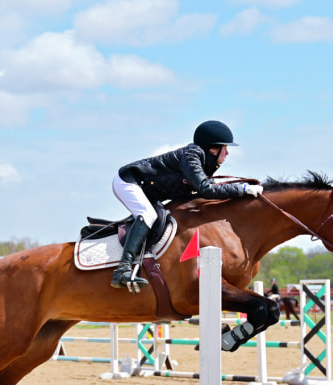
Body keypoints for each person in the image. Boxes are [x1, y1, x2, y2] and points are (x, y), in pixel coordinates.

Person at [110, 120, 263, 291]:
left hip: (149, 189)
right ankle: (122, 269)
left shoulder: (205, 161)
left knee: (160, 217)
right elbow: (206, 189)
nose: (227, 153)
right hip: (129, 181)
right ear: (213, 148)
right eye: (224, 148)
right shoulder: (192, 156)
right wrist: (242, 189)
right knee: (148, 215)